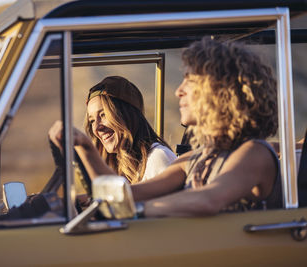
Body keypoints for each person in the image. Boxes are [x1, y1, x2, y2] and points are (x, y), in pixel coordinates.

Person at [130, 37, 282, 217]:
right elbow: (134, 193)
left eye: (189, 80)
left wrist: (138, 210)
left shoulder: (255, 153)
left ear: (222, 91)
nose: (179, 91)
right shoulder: (198, 157)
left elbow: (207, 200)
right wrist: (87, 152)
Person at [49, 76, 176, 184]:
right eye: (92, 120)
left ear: (127, 114)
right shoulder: (120, 167)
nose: (97, 128)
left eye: (103, 115)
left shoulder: (158, 158)